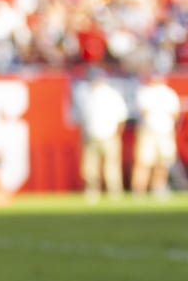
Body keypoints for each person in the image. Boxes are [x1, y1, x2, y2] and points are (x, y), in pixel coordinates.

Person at [77, 71, 129, 202]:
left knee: (111, 166)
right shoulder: (87, 96)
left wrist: (116, 134)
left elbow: (121, 117)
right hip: (92, 136)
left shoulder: (112, 95)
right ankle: (92, 190)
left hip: (109, 135)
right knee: (90, 167)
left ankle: (114, 191)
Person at [130, 72, 182, 200]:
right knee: (143, 161)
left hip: (164, 131)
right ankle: (139, 189)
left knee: (163, 162)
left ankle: (158, 187)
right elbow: (143, 111)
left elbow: (175, 114)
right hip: (148, 131)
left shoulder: (169, 93)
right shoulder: (145, 92)